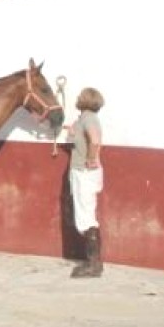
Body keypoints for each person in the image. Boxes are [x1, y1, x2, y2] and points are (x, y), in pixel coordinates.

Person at [66, 87, 105, 278]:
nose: (77, 97)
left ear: (86, 100)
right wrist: (73, 132)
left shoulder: (88, 118)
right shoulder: (85, 119)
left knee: (86, 216)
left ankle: (93, 264)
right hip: (83, 171)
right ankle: (94, 263)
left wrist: (90, 158)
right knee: (85, 214)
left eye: (80, 96)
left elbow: (95, 140)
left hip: (84, 171)